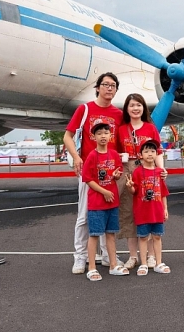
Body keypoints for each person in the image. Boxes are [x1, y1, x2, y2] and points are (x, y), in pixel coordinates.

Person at [62, 72, 123, 274]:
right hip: (89, 172)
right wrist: (76, 157)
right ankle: (80, 257)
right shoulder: (85, 109)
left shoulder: (118, 114)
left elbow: (121, 143)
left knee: (109, 215)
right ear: (97, 87)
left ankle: (107, 256)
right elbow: (68, 136)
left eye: (113, 85)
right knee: (84, 217)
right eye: (105, 84)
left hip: (110, 174)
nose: (109, 88)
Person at [114, 93, 167, 271]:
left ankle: (151, 255)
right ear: (126, 109)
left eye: (138, 105)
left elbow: (158, 151)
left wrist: (161, 170)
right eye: (131, 105)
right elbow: (115, 153)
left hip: (149, 171)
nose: (135, 108)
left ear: (143, 108)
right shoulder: (121, 129)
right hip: (129, 172)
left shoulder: (151, 128)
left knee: (150, 212)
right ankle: (133, 256)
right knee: (129, 214)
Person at [81, 122, 128, 281]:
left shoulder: (114, 154)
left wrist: (116, 176)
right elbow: (87, 179)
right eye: (99, 133)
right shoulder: (92, 156)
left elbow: (118, 172)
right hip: (97, 203)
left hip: (112, 201)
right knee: (94, 235)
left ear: (110, 136)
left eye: (105, 133)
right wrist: (104, 191)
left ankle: (113, 264)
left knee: (110, 234)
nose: (103, 136)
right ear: (93, 137)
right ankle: (92, 267)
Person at [126, 137, 170, 275]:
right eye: (147, 151)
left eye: (153, 151)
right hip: (142, 211)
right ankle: (143, 263)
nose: (150, 154)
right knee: (143, 237)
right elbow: (134, 191)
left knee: (157, 237)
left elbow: (163, 192)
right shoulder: (138, 172)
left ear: (156, 154)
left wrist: (165, 208)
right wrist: (129, 187)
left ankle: (158, 262)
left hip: (157, 211)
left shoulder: (159, 172)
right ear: (141, 155)